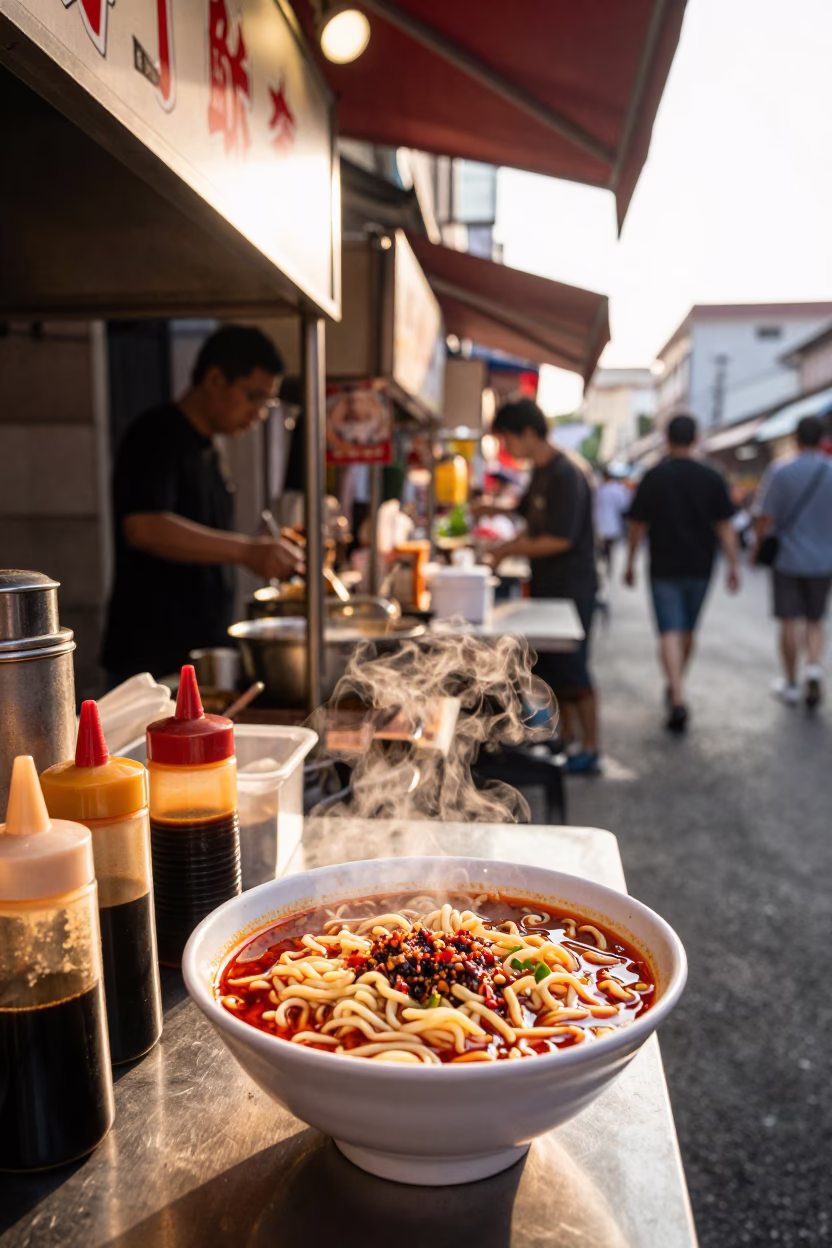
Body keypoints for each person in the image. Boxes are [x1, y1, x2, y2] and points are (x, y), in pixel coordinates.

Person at [102, 325, 303, 684]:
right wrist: (247, 551)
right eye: (253, 396)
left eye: (266, 403)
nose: (258, 414)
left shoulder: (211, 449)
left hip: (199, 653)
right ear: (214, 379)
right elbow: (144, 528)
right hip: (152, 658)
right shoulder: (157, 433)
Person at [478, 399, 601, 774]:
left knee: (575, 670)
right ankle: (564, 740)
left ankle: (592, 749)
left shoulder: (567, 472)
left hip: (573, 584)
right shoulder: (541, 471)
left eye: (507, 439)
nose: (506, 449)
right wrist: (494, 511)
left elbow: (561, 538)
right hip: (548, 582)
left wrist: (509, 548)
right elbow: (525, 512)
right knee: (554, 669)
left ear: (529, 434)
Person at [624, 413, 740, 733]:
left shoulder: (654, 476)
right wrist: (733, 565)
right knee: (688, 629)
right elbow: (726, 527)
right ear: (696, 438)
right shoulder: (712, 476)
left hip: (663, 565)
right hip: (701, 565)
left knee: (669, 631)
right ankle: (677, 687)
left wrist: (631, 562)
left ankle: (676, 693)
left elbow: (637, 525)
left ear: (667, 438)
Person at [753, 415, 832, 708]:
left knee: (789, 620)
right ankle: (813, 667)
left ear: (796, 439)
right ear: (822, 439)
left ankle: (790, 682)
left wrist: (756, 549)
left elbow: (765, 517)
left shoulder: (781, 472)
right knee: (815, 619)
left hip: (787, 558)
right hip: (824, 559)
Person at [595, 467, 631, 576]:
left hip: (601, 521)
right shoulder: (617, 489)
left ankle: (605, 560)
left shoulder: (600, 489)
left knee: (604, 544)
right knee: (608, 545)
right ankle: (607, 562)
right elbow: (624, 505)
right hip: (611, 522)